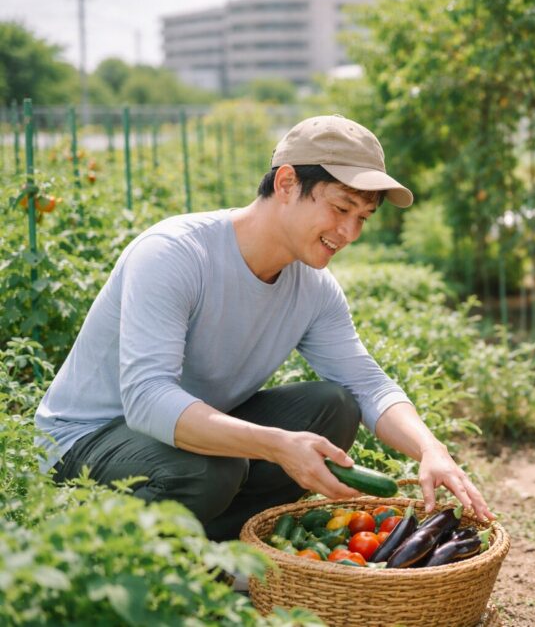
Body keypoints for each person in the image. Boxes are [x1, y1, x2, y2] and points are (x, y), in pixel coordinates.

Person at [34, 115, 493, 541]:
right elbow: (147, 401)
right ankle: (125, 558)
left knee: (332, 407)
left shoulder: (313, 287)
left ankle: (215, 546)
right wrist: (277, 445)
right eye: (340, 208)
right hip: (86, 443)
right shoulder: (175, 253)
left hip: (181, 440)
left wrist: (431, 449)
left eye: (363, 218)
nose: (350, 232)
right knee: (212, 469)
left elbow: (367, 383)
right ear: (288, 182)